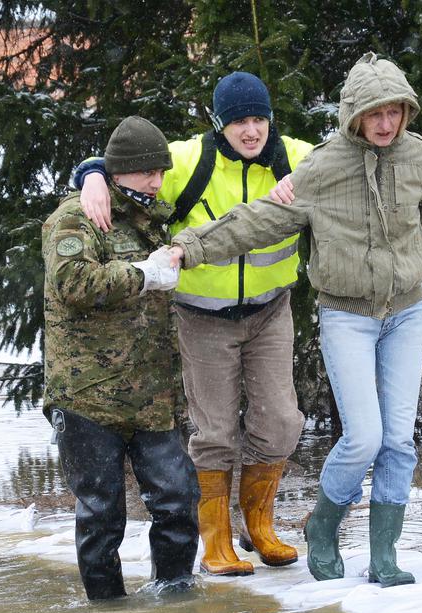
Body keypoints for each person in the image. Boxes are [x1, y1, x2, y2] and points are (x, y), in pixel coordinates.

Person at [169, 53, 422, 588]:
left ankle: (384, 554)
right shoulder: (320, 165)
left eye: (395, 112)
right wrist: (191, 247)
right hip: (346, 315)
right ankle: (320, 526)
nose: (386, 123)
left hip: (406, 311)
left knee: (399, 442)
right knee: (362, 437)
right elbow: (261, 219)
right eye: (374, 112)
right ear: (353, 114)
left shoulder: (420, 157)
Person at [70, 72, 314, 578]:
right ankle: (216, 540)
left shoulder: (295, 157)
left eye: (259, 120)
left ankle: (259, 526)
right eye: (239, 122)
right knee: (216, 430)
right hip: (202, 317)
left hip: (271, 310)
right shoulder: (188, 160)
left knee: (282, 421)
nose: (251, 132)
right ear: (218, 124)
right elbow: (123, 167)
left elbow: (349, 165)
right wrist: (92, 174)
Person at [41, 116, 199, 600]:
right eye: (147, 171)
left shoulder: (153, 218)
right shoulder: (76, 217)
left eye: (160, 170)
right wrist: (141, 275)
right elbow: (72, 283)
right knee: (101, 515)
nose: (156, 180)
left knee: (176, 502)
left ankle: (174, 602)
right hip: (88, 397)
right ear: (120, 171)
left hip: (152, 397)